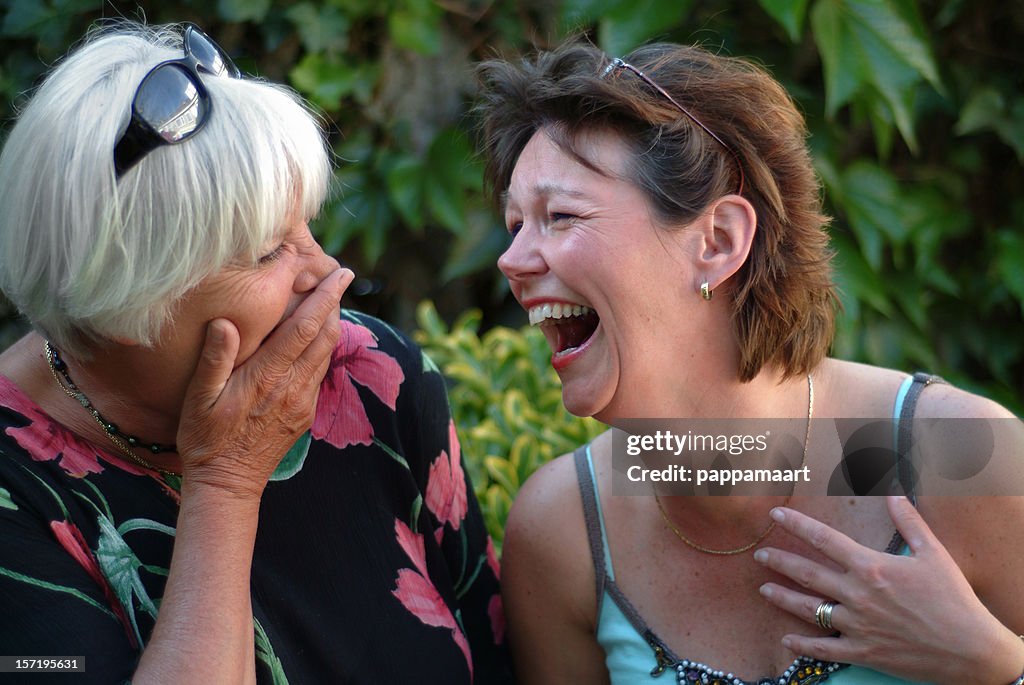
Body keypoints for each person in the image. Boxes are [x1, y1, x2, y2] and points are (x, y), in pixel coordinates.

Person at [477, 39, 1024, 684]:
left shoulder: (956, 459)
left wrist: (995, 664)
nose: (511, 261)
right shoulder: (564, 530)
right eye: (515, 225)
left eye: (560, 215)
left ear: (718, 241)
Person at [0, 22, 508, 683]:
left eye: (308, 227)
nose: (327, 272)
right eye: (269, 252)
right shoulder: (18, 493)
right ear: (116, 301)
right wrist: (226, 484)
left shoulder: (373, 377)